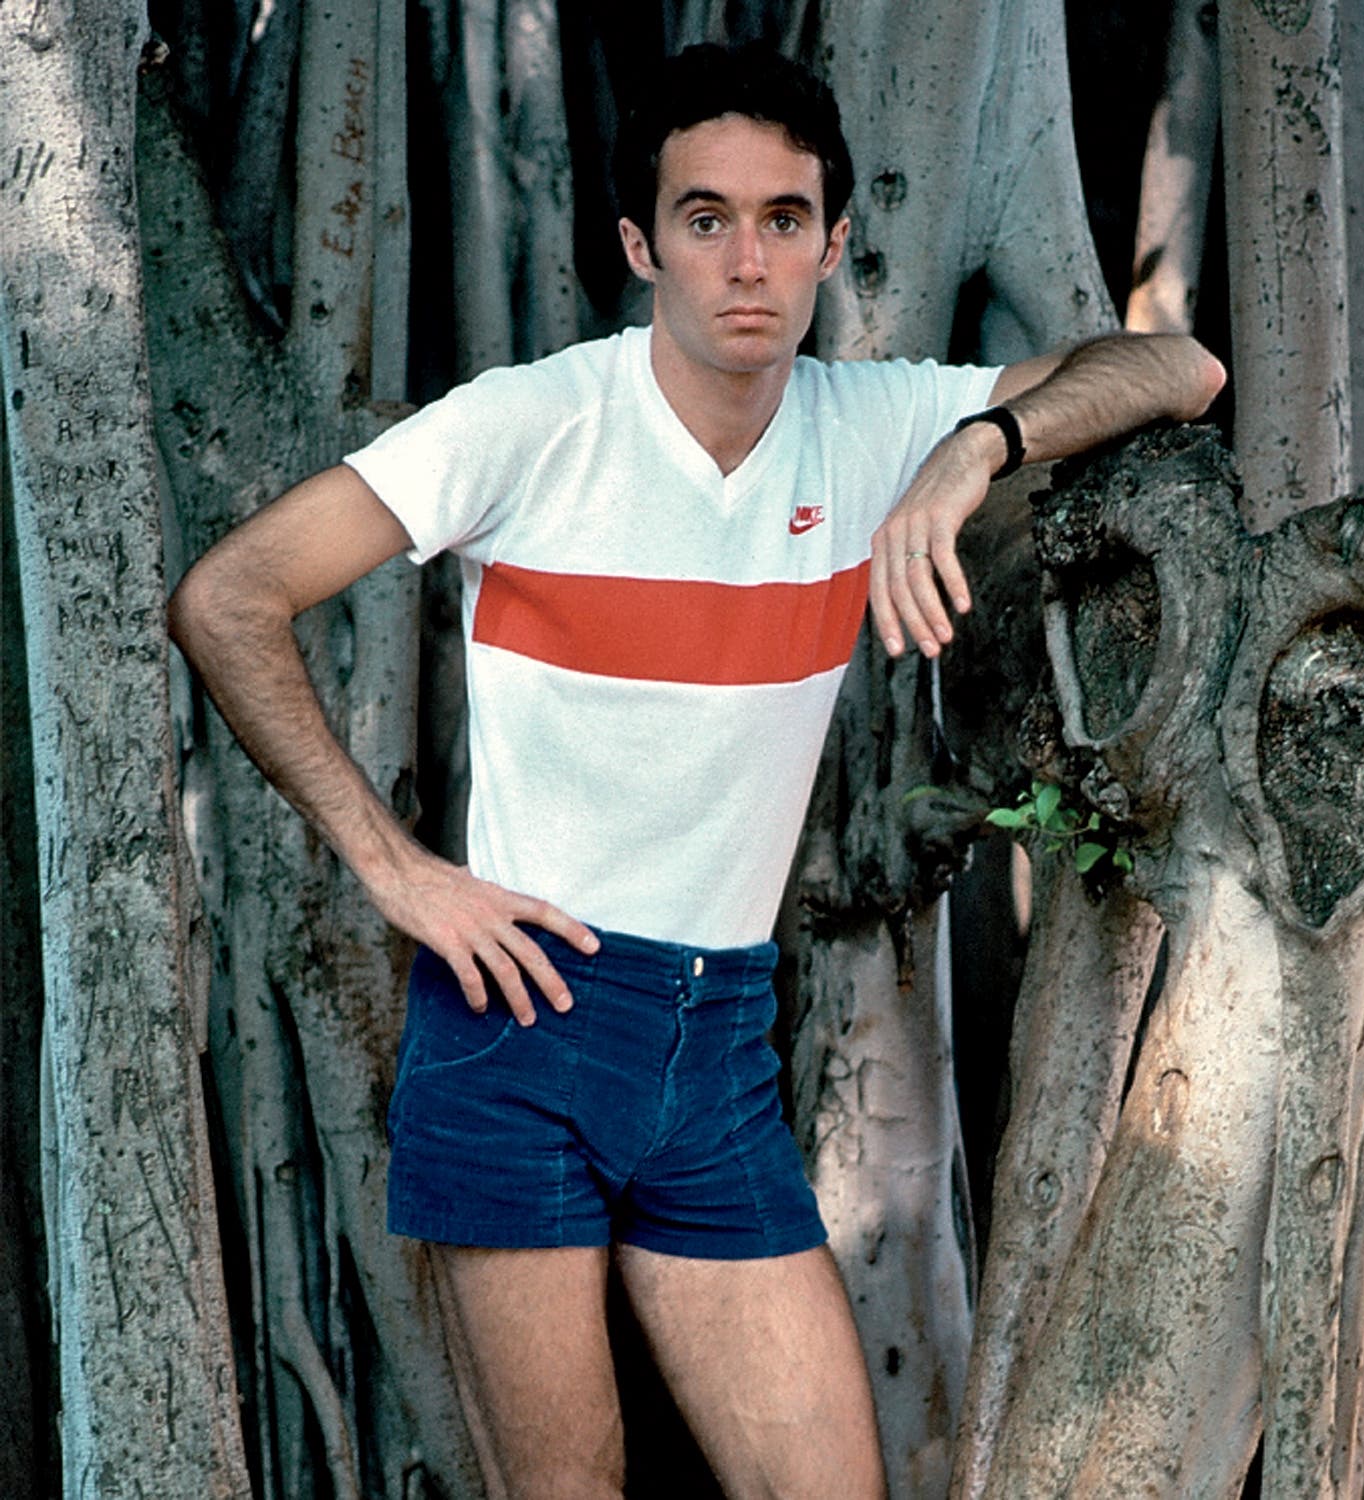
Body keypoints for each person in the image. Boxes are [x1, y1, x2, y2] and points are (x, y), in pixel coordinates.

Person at [169, 40, 1224, 1500]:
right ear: (639, 243)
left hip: (718, 1046)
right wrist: (395, 870)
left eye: (784, 220)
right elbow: (228, 596)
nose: (747, 262)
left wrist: (975, 449)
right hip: (518, 1025)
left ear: (832, 246)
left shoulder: (871, 427)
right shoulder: (529, 425)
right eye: (706, 218)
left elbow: (1180, 367)